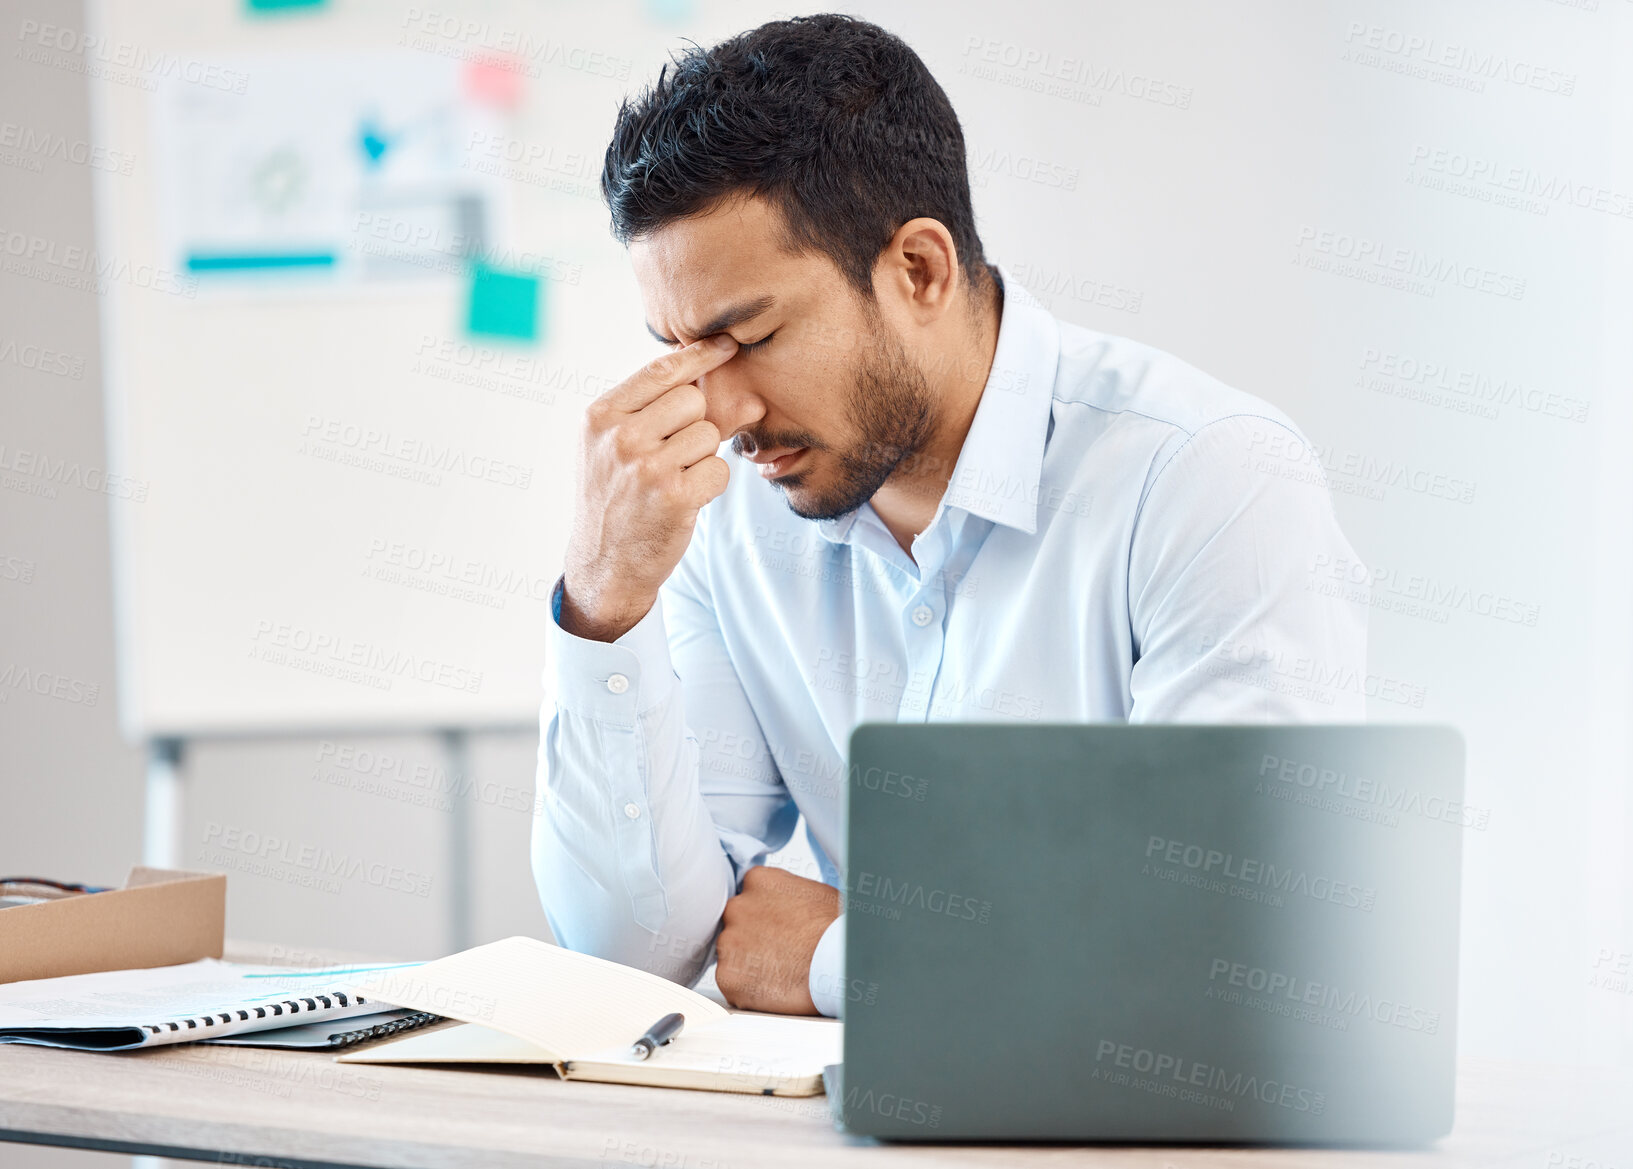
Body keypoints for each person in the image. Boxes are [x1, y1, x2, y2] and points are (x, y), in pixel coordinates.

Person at [532, 14, 1366, 1018]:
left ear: (918, 270)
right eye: (682, 355)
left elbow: (1225, 941)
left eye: (746, 338)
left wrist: (843, 955)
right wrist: (604, 601)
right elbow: (636, 948)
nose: (721, 412)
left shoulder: (1211, 479)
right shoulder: (734, 523)